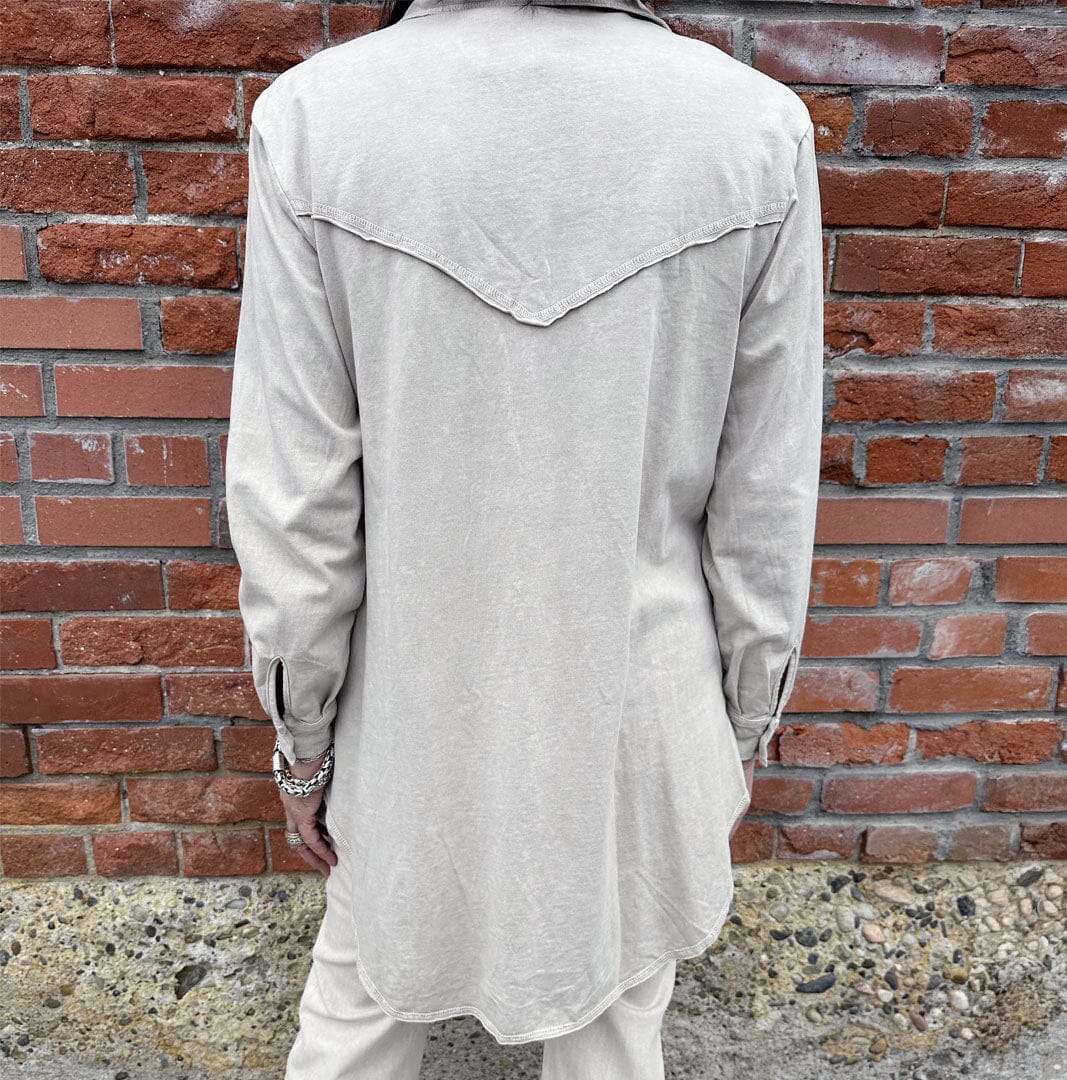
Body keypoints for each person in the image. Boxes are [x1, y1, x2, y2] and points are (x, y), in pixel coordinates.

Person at [224, 0, 824, 1075]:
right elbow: (766, 492)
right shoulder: (754, 131)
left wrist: (302, 743)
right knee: (613, 1029)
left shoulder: (317, 121)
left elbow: (295, 500)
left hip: (410, 723)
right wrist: (739, 724)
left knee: (359, 1014)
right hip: (640, 708)